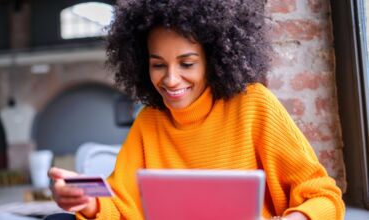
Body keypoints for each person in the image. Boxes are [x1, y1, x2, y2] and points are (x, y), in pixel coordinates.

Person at [48, 0, 345, 219]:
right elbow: (120, 205)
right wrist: (89, 203)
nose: (171, 79)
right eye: (158, 65)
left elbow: (324, 196)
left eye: (187, 63)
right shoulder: (149, 123)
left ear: (214, 59)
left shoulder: (254, 105)